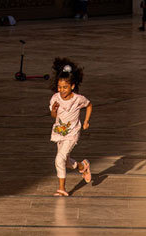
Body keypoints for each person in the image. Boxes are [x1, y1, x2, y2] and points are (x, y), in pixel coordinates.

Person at [49, 57, 92, 197]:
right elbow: (53, 116)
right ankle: (82, 166)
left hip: (72, 133)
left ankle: (61, 188)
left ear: (72, 86)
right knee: (66, 161)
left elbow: (89, 105)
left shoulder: (78, 99)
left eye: (65, 87)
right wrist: (54, 110)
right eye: (60, 87)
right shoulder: (55, 98)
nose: (62, 90)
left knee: (59, 159)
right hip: (59, 134)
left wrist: (86, 121)